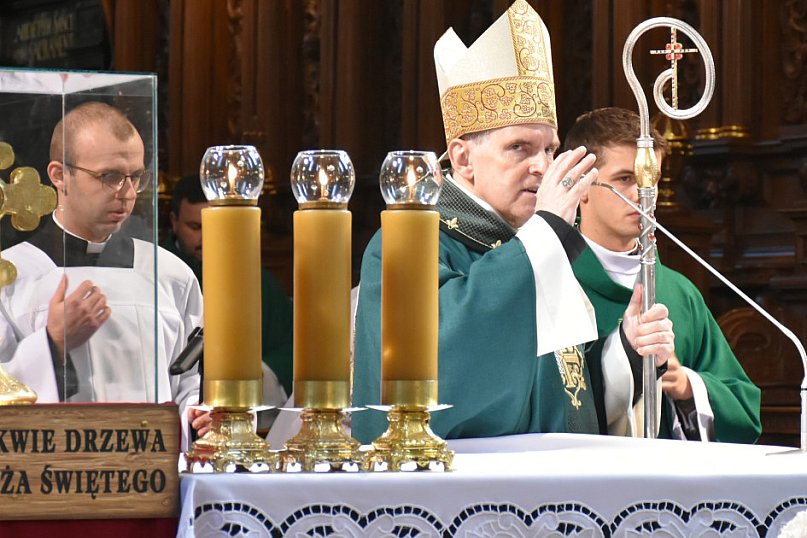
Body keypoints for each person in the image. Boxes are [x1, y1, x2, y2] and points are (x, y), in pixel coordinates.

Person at [352, 0, 675, 443]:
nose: (543, 167)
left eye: (549, 148)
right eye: (519, 148)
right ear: (463, 158)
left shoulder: (538, 243)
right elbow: (442, 367)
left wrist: (626, 352)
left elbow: (565, 402)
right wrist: (544, 237)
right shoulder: (410, 240)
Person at [0, 101, 209, 446]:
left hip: (151, 477)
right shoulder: (13, 275)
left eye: (137, 177)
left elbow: (186, 385)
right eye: (109, 176)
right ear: (58, 175)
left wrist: (194, 417)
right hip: (54, 480)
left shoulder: (170, 274)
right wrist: (51, 344)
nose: (127, 194)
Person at [566, 107, 761, 443]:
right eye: (625, 179)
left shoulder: (678, 292)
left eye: (651, 181)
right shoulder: (551, 279)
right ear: (582, 185)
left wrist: (687, 386)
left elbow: (744, 412)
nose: (644, 196)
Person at [164, 174, 293, 423]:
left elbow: (291, 349)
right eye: (196, 227)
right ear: (174, 221)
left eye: (214, 227)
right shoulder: (161, 273)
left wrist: (257, 375)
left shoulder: (257, 281)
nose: (206, 238)